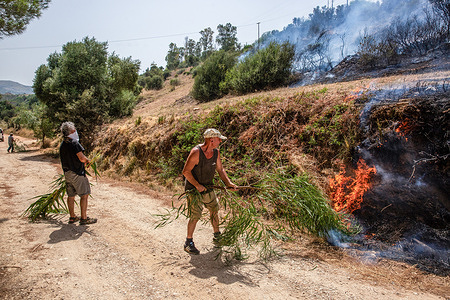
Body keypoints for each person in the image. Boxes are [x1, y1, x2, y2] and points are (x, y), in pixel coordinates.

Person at [182, 128, 238, 254]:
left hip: (208, 187)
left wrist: (229, 183)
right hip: (193, 190)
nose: (220, 141)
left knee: (214, 209)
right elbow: (186, 172)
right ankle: (188, 242)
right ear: (211, 140)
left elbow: (220, 170)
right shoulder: (196, 152)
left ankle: (217, 236)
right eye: (218, 139)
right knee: (195, 215)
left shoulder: (216, 153)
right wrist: (197, 185)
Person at [59, 122, 97, 225]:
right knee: (84, 195)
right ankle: (84, 218)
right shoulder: (74, 143)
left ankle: (72, 217)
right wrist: (88, 161)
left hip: (67, 173)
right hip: (77, 173)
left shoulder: (63, 145)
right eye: (74, 130)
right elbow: (81, 158)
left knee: (71, 196)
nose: (75, 132)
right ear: (71, 132)